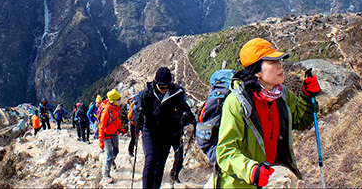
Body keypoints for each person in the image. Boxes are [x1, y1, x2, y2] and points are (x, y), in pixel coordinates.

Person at [215, 38, 321, 188]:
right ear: (257, 71)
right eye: (273, 62)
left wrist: (306, 96)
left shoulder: (281, 95)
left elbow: (299, 121)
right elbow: (225, 151)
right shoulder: (237, 102)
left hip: (265, 180)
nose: (280, 66)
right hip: (239, 184)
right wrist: (251, 170)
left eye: (279, 60)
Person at [134, 67, 194, 189]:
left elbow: (186, 110)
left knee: (160, 164)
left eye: (166, 86)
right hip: (150, 131)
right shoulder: (147, 92)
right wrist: (138, 117)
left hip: (167, 133)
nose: (164, 89)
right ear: (156, 83)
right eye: (162, 87)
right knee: (150, 159)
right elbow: (137, 108)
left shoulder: (176, 93)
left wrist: (185, 116)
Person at [99, 89, 126, 183]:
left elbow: (117, 120)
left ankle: (111, 162)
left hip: (114, 134)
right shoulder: (106, 112)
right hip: (107, 136)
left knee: (116, 151)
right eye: (118, 99)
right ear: (113, 101)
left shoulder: (115, 109)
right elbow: (101, 127)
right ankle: (106, 174)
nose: (120, 101)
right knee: (109, 155)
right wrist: (101, 141)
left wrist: (121, 129)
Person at [169, 101, 195, 184]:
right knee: (159, 158)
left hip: (177, 135)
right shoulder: (164, 103)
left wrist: (186, 119)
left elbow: (190, 117)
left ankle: (174, 175)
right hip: (164, 135)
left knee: (179, 157)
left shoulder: (183, 104)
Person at [126, 86, 139, 158]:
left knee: (133, 137)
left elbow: (128, 111)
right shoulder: (138, 98)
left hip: (132, 121)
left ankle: (131, 151)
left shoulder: (130, 100)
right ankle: (131, 150)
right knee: (135, 137)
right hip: (137, 120)